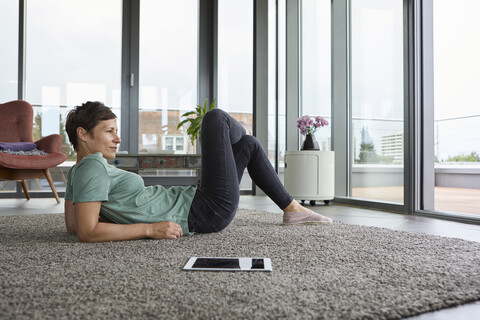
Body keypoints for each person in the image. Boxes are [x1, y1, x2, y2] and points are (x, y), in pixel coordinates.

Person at [64, 101, 332, 242]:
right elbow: (87, 232)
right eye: (109, 131)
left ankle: (292, 210)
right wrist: (149, 228)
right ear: (83, 134)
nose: (117, 138)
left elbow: (73, 225)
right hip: (203, 211)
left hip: (195, 202)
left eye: (116, 131)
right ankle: (239, 133)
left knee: (249, 145)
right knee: (215, 118)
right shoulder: (93, 167)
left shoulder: (78, 170)